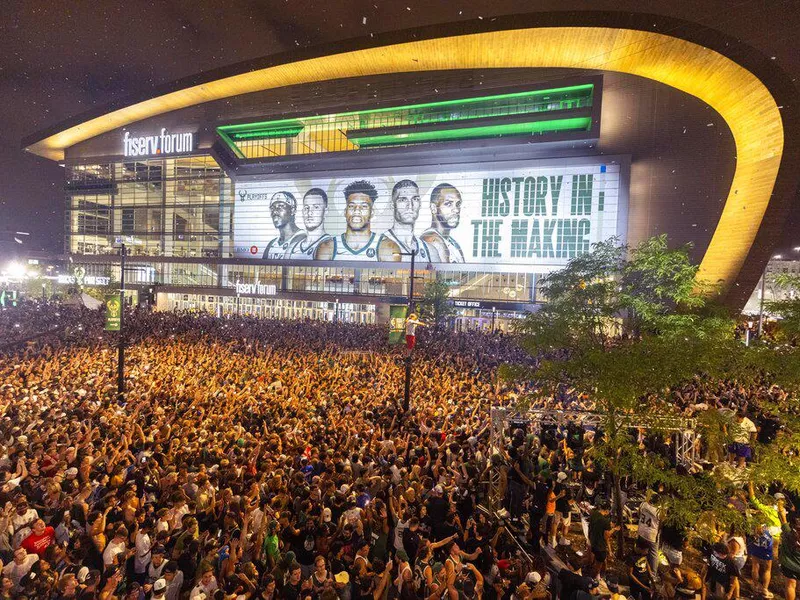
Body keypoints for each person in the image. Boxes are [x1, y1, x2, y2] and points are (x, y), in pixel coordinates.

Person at [316, 180, 380, 260]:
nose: (357, 210)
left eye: (363, 206)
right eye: (351, 206)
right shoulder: (326, 248)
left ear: (372, 213)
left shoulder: (385, 247)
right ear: (345, 212)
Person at [377, 179, 437, 262]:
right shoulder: (379, 246)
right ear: (392, 205)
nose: (410, 206)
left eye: (415, 199)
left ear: (420, 204)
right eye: (402, 200)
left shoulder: (430, 251)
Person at [422, 183, 465, 263]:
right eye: (449, 204)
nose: (456, 210)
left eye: (458, 204)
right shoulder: (433, 241)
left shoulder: (452, 242)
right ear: (433, 208)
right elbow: (445, 275)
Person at [288, 188, 334, 260]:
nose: (309, 213)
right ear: (303, 212)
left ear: (325, 212)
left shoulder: (329, 245)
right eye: (307, 208)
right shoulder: (293, 246)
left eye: (316, 207)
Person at [262, 191, 307, 259]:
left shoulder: (303, 238)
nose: (274, 211)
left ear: (293, 210)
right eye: (272, 208)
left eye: (280, 206)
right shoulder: (272, 244)